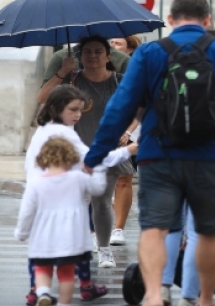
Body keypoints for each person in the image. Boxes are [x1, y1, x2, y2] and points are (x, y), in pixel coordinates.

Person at [82, 0, 215, 306]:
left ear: (170, 21)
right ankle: (204, 298)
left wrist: (95, 154)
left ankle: (154, 294)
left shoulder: (151, 53)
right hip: (212, 157)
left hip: (158, 155)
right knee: (209, 229)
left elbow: (121, 107)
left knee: (156, 226)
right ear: (207, 21)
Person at [23, 86, 135, 305]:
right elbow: (92, 160)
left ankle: (38, 290)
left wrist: (23, 230)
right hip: (64, 201)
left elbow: (31, 169)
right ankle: (79, 289)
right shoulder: (63, 133)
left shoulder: (44, 131)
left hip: (44, 201)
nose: (77, 115)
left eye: (80, 111)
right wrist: (128, 151)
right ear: (55, 108)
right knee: (76, 250)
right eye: (73, 109)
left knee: (43, 252)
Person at [36, 35, 138, 269]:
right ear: (80, 56)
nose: (92, 56)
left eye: (98, 51)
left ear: (108, 56)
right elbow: (42, 98)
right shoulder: (71, 82)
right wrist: (61, 72)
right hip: (75, 151)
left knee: (101, 202)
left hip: (108, 150)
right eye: (87, 52)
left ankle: (104, 250)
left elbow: (140, 108)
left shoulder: (120, 81)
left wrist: (128, 130)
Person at [16, 137, 108, 306]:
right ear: (72, 157)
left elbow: (26, 212)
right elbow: (98, 188)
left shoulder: (36, 183)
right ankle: (64, 303)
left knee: (43, 267)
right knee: (66, 272)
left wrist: (22, 232)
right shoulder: (78, 179)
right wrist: (100, 167)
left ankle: (43, 292)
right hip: (70, 237)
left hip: (43, 235)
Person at [108, 35, 142, 246]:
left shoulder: (136, 73)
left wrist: (128, 132)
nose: (112, 46)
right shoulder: (97, 71)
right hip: (102, 130)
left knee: (124, 177)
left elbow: (141, 106)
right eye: (110, 43)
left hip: (129, 133)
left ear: (129, 50)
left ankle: (118, 227)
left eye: (118, 43)